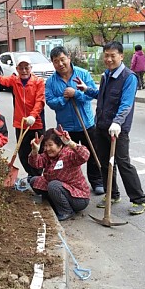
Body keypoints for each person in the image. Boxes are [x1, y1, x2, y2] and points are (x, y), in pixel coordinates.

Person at [75, 41, 145, 215]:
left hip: (117, 129)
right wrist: (86, 89)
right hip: (101, 126)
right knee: (105, 164)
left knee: (123, 163)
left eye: (112, 55)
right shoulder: (106, 75)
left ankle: (140, 199)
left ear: (121, 56)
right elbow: (102, 96)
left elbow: (126, 104)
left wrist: (117, 122)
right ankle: (112, 194)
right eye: (106, 55)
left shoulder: (128, 77)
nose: (108, 59)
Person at [45, 46, 104, 195]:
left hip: (86, 123)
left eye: (62, 59)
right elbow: (50, 102)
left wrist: (76, 93)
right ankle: (69, 184)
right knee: (67, 158)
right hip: (66, 128)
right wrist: (64, 98)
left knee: (91, 153)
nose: (60, 64)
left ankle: (96, 182)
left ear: (68, 58)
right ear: (53, 63)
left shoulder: (82, 74)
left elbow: (92, 95)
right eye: (56, 61)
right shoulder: (51, 82)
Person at [0, 56, 45, 180]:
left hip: (36, 123)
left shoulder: (38, 82)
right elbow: (3, 80)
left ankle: (37, 176)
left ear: (31, 68)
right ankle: (31, 175)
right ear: (17, 69)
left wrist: (33, 115)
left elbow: (40, 101)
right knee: (22, 152)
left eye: (26, 68)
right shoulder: (15, 81)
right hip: (20, 124)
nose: (24, 70)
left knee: (38, 151)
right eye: (21, 68)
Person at [28, 127, 90, 221]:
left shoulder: (68, 154)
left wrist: (70, 143)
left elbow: (85, 155)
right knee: (33, 181)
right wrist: (34, 151)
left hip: (78, 198)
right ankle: (55, 202)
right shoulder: (47, 155)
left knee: (53, 186)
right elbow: (35, 163)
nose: (47, 149)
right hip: (59, 188)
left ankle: (66, 211)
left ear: (60, 145)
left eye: (50, 145)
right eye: (45, 145)